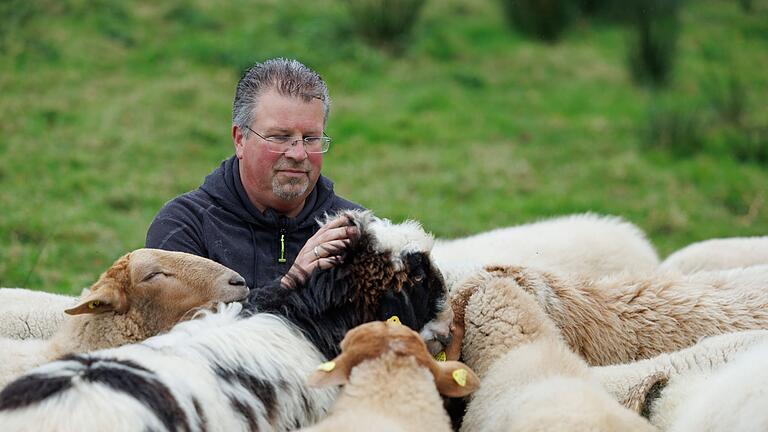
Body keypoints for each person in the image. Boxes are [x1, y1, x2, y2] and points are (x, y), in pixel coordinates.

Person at [145, 58, 364, 289]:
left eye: (310, 139)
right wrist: (291, 286)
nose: (299, 154)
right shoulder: (185, 227)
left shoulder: (355, 232)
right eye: (280, 137)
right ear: (240, 139)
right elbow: (191, 326)